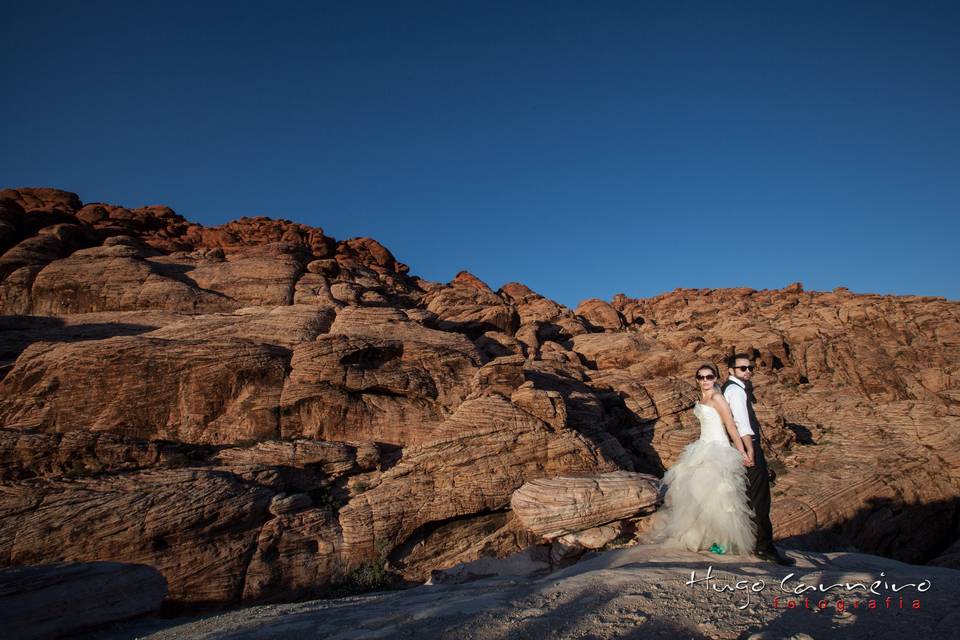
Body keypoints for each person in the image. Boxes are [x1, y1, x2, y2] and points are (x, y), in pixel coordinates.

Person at [648, 363, 756, 555]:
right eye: (701, 377)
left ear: (715, 378)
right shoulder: (703, 397)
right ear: (697, 379)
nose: (705, 381)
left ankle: (726, 541)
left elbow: (731, 425)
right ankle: (707, 537)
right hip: (702, 446)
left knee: (720, 497)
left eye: (709, 377)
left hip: (718, 449)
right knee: (698, 495)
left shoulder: (717, 397)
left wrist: (743, 451)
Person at [722, 353, 796, 566]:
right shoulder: (735, 391)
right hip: (748, 445)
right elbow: (741, 423)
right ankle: (764, 547)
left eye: (750, 367)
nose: (749, 371)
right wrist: (750, 450)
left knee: (747, 496)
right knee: (760, 498)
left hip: (741, 447)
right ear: (731, 370)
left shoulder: (732, 388)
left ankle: (751, 542)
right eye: (743, 368)